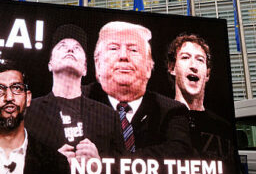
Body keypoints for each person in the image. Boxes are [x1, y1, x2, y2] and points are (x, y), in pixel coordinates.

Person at [84, 21, 192, 159]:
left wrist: (104, 160)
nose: (123, 56)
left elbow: (179, 154)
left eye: (133, 50)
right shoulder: (77, 100)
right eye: (113, 48)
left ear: (148, 68)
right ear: (97, 64)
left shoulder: (172, 111)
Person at [25, 24, 123, 161]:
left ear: (85, 69)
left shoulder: (109, 116)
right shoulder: (29, 111)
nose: (70, 49)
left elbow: (123, 169)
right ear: (50, 64)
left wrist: (99, 165)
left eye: (77, 48)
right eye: (62, 46)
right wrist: (52, 163)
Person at [167, 33, 233, 161]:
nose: (193, 66)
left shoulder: (223, 128)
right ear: (172, 68)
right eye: (185, 57)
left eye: (200, 59)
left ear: (207, 74)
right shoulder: (159, 123)